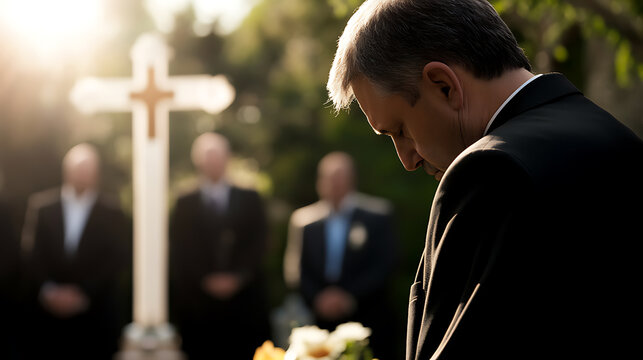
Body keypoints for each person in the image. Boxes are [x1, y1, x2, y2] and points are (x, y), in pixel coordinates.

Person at [326, 0, 643, 358]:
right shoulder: (615, 135)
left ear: (444, 85)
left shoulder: (490, 172)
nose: (408, 159)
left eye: (400, 130)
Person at [20, 143, 131, 360]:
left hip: (96, 319)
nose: (82, 174)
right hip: (47, 320)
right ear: (66, 170)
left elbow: (118, 257)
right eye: (78, 168)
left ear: (96, 173)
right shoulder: (42, 207)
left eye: (87, 169)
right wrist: (50, 291)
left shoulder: (113, 211)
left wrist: (84, 293)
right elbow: (32, 254)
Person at [283, 151, 398, 359]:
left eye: (339, 177)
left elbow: (384, 264)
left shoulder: (377, 216)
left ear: (352, 179)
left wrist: (348, 297)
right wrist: (319, 299)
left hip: (367, 316)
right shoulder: (304, 221)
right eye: (329, 177)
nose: (334, 183)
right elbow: (295, 269)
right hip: (317, 324)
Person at [169, 132, 270, 360]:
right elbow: (179, 248)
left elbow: (260, 241)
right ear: (198, 161)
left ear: (228, 158)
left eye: (218, 156)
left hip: (244, 306)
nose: (213, 162)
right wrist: (205, 279)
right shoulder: (184, 202)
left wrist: (237, 277)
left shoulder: (250, 197)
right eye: (208, 157)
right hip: (198, 308)